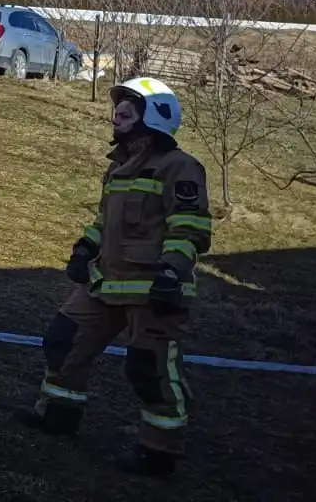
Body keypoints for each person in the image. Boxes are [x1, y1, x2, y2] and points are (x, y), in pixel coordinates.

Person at [20, 76, 211, 476]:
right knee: (63, 340)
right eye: (118, 106)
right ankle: (59, 415)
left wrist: (172, 275)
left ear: (156, 117)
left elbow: (189, 228)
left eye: (130, 107)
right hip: (105, 282)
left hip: (154, 291)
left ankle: (159, 451)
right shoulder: (118, 167)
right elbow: (105, 221)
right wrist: (84, 248)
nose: (118, 113)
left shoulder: (180, 167)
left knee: (148, 368)